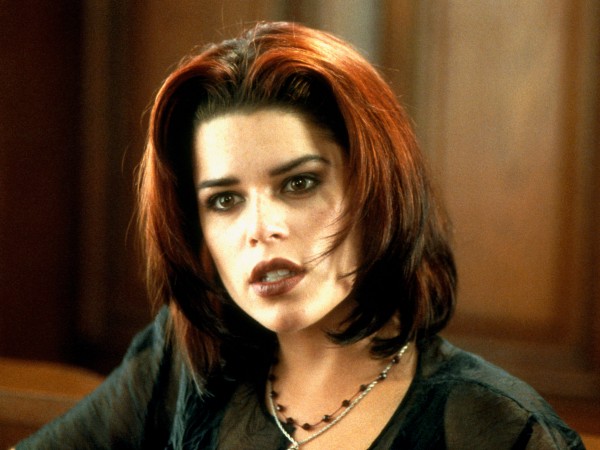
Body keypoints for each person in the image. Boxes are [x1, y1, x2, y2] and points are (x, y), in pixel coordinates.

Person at [17, 21, 583, 450]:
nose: (261, 229)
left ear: (374, 190)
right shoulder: (185, 360)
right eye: (225, 200)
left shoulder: (499, 426)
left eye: (299, 183)